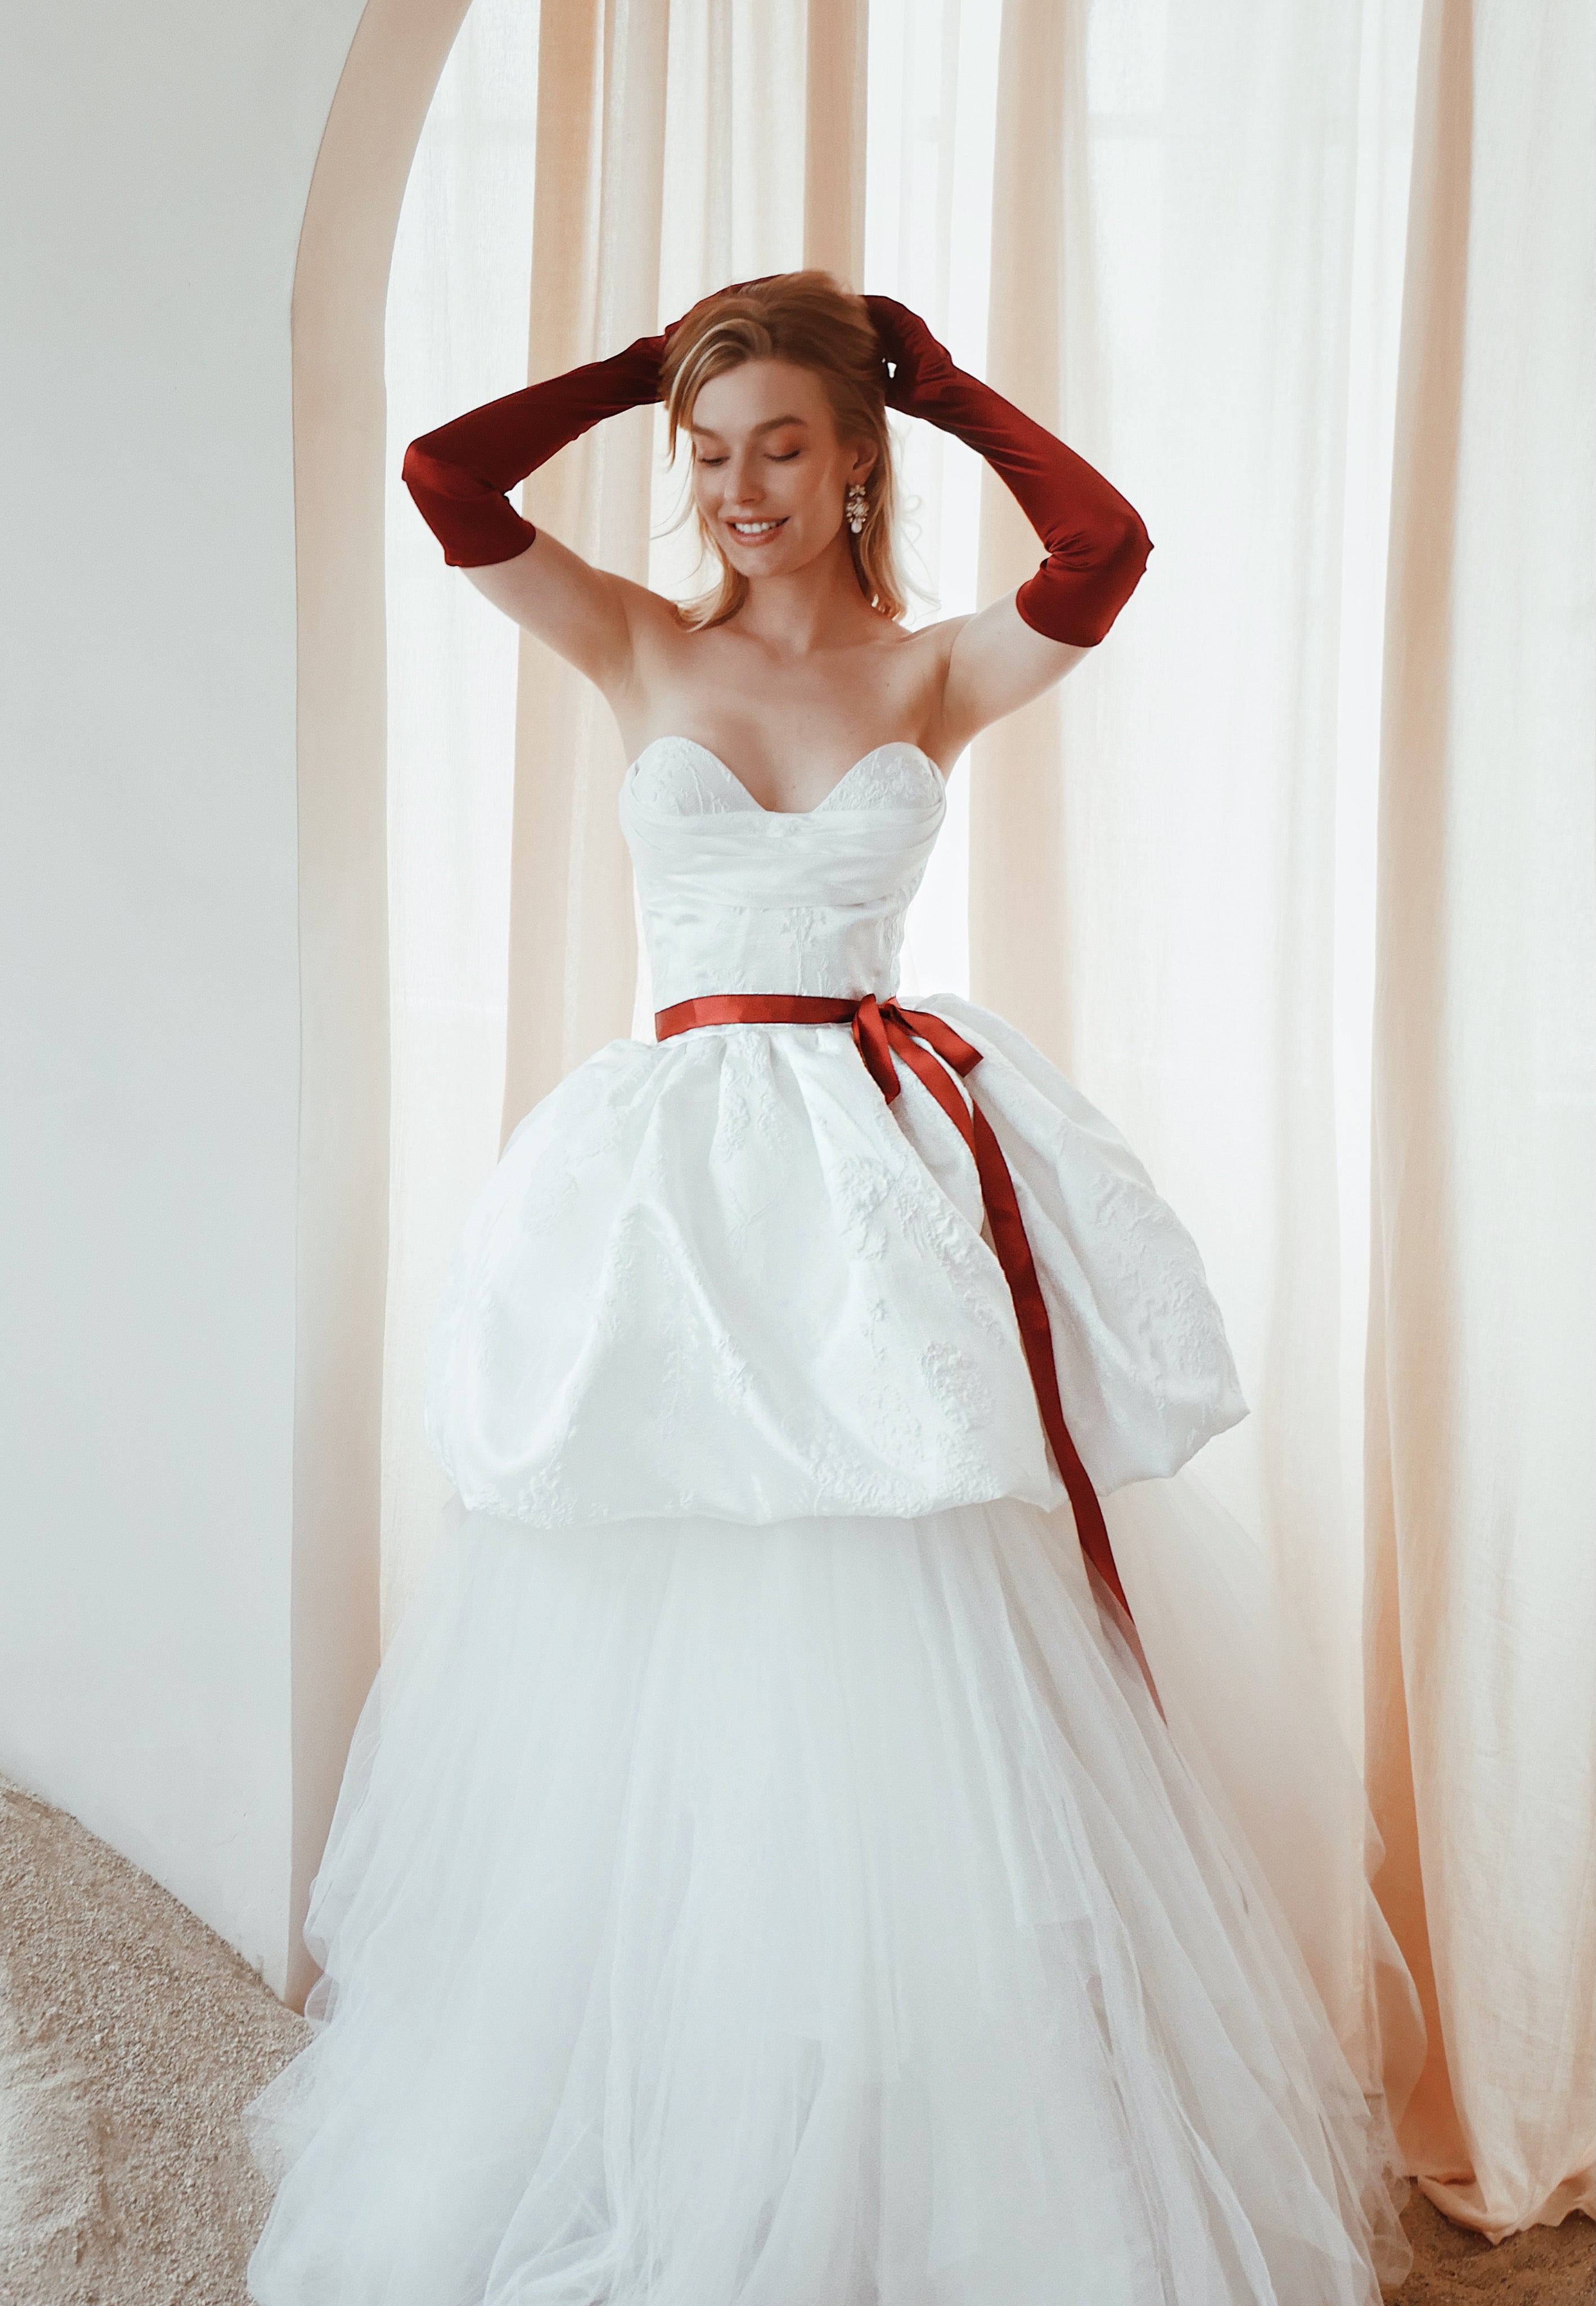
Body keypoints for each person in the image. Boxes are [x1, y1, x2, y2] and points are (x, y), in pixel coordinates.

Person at [244, 272, 1416, 2305]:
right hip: (675, 1198)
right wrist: (646, 367)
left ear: (853, 458)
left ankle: (918, 2175)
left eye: (780, 444)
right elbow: (442, 478)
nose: (734, 488)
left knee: (910, 1642)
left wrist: (940, 385)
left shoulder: (929, 675)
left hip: (870, 1201)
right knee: (674, 1641)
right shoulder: (628, 639)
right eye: (708, 457)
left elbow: (1104, 551)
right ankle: (683, 2145)